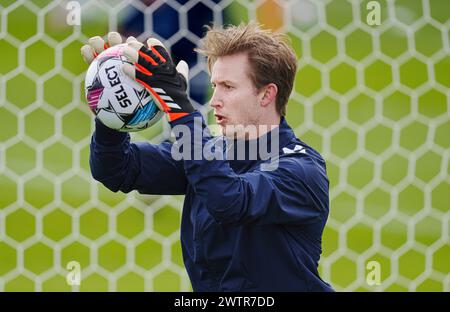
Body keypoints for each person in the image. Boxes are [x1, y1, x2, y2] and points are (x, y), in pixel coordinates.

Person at [81, 23, 334, 292]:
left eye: (228, 86)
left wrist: (179, 106)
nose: (214, 100)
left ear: (266, 94)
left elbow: (228, 199)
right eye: (215, 85)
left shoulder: (302, 170)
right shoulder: (210, 151)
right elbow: (116, 168)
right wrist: (113, 102)